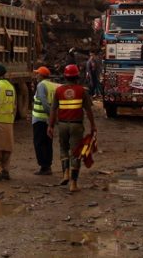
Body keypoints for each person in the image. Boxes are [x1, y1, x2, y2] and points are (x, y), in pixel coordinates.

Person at [48, 64, 96, 192]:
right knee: (76, 153)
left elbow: (53, 110)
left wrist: (50, 125)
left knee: (64, 149)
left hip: (62, 125)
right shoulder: (82, 91)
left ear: (65, 76)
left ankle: (65, 174)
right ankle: (73, 184)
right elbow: (88, 110)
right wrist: (93, 125)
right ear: (77, 77)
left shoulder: (59, 91)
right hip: (76, 125)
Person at [31, 66, 57, 175]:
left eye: (37, 74)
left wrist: (49, 115)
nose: (36, 76)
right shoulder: (51, 85)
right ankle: (48, 165)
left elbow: (43, 101)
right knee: (47, 143)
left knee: (39, 143)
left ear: (42, 75)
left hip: (40, 120)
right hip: (47, 120)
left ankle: (44, 166)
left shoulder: (41, 85)